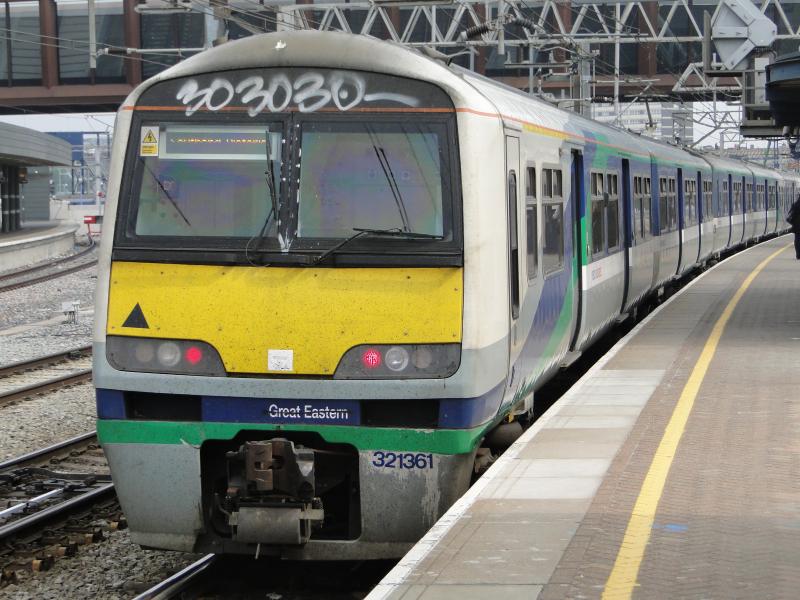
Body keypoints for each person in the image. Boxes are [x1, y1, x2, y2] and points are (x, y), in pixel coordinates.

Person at [788, 194, 800, 259]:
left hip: (797, 226)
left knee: (797, 240)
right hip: (797, 226)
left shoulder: (795, 205)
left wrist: (793, 223)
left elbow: (790, 215)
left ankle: (798, 254)